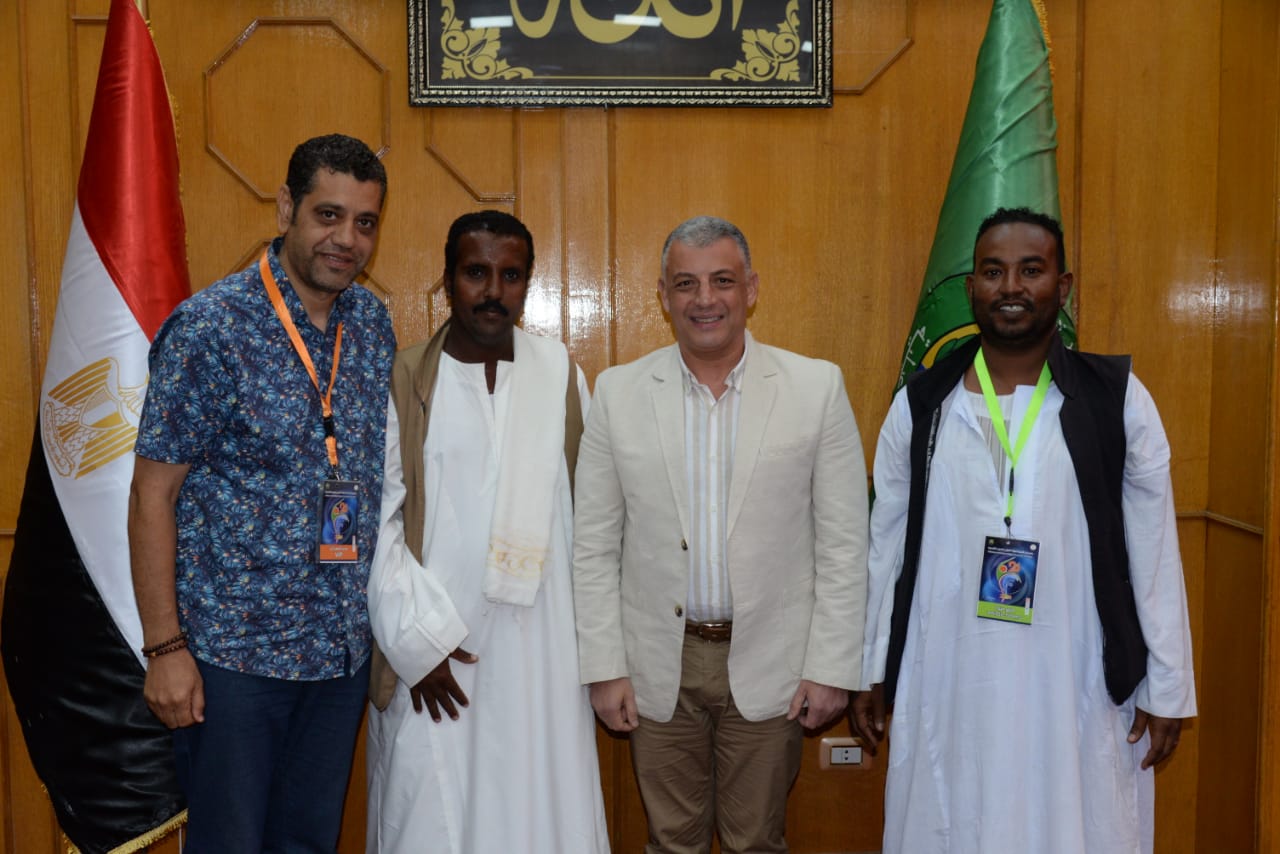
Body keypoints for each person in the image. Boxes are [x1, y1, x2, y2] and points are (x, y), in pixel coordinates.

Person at [852, 207, 1197, 854]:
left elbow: (1153, 552)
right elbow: (886, 547)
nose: (1011, 286)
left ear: (1061, 287)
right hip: (947, 673)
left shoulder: (1117, 400)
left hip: (1075, 680)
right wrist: (872, 666)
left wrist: (1167, 684)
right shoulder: (921, 405)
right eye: (993, 271)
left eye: (1030, 270)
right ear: (971, 289)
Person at [128, 134, 395, 852]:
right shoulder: (210, 327)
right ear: (286, 208)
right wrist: (165, 648)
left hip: (338, 654)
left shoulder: (372, 325)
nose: (346, 239)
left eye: (364, 222)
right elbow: (152, 494)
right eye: (328, 215)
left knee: (307, 842)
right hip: (234, 659)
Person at [573, 215, 869, 853]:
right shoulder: (618, 394)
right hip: (657, 664)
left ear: (751, 288)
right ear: (663, 295)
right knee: (670, 842)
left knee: (754, 842)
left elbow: (845, 544)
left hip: (773, 663)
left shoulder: (816, 388)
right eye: (686, 283)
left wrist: (831, 668)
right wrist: (603, 667)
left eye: (722, 281)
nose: (704, 299)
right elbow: (592, 547)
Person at [364, 210, 609, 853]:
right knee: (431, 815)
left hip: (543, 655)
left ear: (528, 283)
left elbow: (590, 521)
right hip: (436, 653)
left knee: (542, 811)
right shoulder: (405, 380)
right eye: (476, 273)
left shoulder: (561, 377)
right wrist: (416, 645)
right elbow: (376, 521)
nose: (493, 291)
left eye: (511, 275)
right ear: (448, 280)